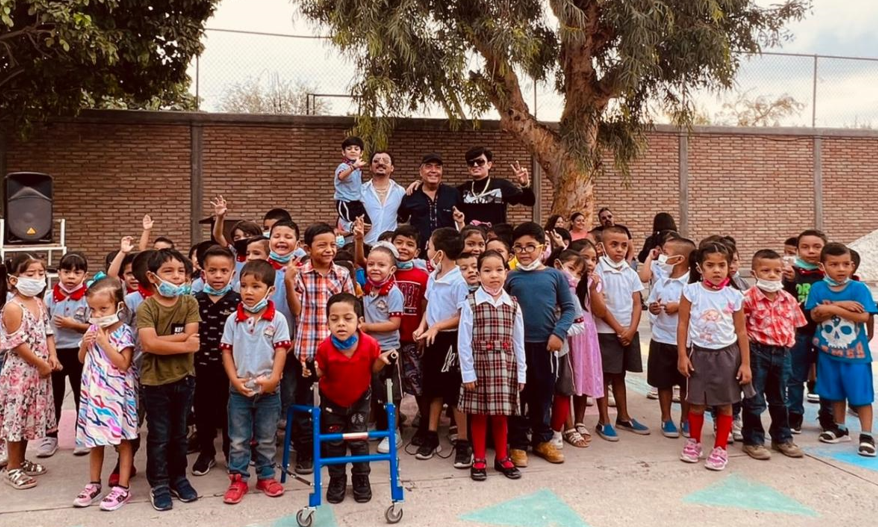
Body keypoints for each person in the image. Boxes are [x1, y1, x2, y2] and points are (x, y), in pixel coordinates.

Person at [505, 222, 576, 466]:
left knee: (543, 394)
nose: (524, 252)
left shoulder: (554, 276)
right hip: (516, 349)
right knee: (517, 396)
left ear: (542, 248)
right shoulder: (510, 277)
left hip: (545, 346)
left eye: (530, 247)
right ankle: (517, 443)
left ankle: (542, 438)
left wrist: (558, 333)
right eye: (518, 247)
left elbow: (569, 309)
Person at [677, 241, 752, 471]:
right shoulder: (691, 291)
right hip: (698, 354)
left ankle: (720, 448)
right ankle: (695, 441)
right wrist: (682, 355)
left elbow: (741, 331)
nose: (717, 270)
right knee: (696, 403)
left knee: (725, 404)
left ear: (730, 266)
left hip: (727, 356)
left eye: (722, 265)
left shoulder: (735, 296)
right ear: (700, 267)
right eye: (711, 265)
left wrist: (746, 364)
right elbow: (682, 324)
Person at [220, 260, 291, 504]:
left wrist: (273, 379)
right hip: (239, 389)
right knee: (238, 438)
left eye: (256, 286)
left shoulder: (277, 319)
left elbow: (281, 351)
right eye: (244, 286)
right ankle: (238, 479)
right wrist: (233, 380)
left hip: (268, 391)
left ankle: (266, 476)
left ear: (270, 290)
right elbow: (227, 351)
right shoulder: (233, 320)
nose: (248, 292)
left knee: (266, 436)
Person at [314, 293, 396, 504]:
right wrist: (312, 370)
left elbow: (374, 369)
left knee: (359, 441)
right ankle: (337, 480)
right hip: (332, 402)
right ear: (327, 322)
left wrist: (382, 360)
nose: (341, 324)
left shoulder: (369, 344)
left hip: (360, 399)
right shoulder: (324, 348)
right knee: (334, 444)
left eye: (347, 318)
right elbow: (320, 372)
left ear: (359, 321)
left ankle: (361, 479)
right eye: (334, 319)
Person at [136, 249, 201, 511]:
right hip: (154, 383)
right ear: (152, 277)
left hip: (184, 380)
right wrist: (180, 342)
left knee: (179, 434)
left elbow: (194, 341)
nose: (176, 277)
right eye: (168, 271)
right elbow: (148, 344)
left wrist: (162, 342)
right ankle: (159, 482)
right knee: (159, 435)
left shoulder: (189, 303)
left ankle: (179, 478)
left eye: (181, 272)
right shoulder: (147, 307)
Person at [290, 223, 355, 474]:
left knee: (335, 404)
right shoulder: (299, 274)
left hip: (337, 353)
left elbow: (351, 312)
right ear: (307, 248)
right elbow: (296, 311)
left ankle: (332, 447)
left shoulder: (342, 274)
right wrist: (287, 281)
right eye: (322, 245)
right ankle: (306, 451)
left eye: (333, 244)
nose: (329, 249)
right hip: (307, 352)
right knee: (307, 405)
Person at [458, 250, 526, 481]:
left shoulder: (513, 305)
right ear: (478, 274)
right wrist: (467, 373)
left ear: (507, 273)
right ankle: (479, 458)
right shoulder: (471, 302)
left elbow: (519, 341)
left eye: (499, 270)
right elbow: (464, 341)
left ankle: (502, 457)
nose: (493, 275)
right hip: (479, 366)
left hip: (505, 367)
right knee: (479, 414)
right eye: (487, 270)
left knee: (501, 415)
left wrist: (521, 374)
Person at [72, 278, 139, 510]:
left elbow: (123, 363)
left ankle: (122, 487)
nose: (97, 314)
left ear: (118, 307)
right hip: (94, 393)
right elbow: (81, 360)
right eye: (93, 309)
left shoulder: (124, 332)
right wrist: (84, 344)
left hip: (116, 395)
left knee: (123, 441)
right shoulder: (92, 329)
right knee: (95, 440)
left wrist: (104, 342)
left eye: (103, 309)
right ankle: (93, 483)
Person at [806, 243, 876, 457]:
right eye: (834, 264)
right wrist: (842, 306)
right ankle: (840, 428)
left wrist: (831, 308)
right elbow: (814, 315)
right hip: (828, 352)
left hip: (855, 354)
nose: (841, 269)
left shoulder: (859, 289)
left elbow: (864, 316)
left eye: (846, 264)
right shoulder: (818, 288)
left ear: (852, 265)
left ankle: (866, 434)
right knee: (835, 393)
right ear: (823, 265)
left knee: (861, 395)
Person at [741, 249, 806, 461]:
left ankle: (782, 437)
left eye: (777, 271)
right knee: (754, 398)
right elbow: (740, 328)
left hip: (782, 353)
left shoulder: (788, 299)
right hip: (757, 352)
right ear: (754, 272)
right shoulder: (747, 298)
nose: (771, 275)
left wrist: (787, 345)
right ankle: (753, 439)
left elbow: (795, 325)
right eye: (765, 270)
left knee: (780, 398)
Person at [413, 227, 471, 465]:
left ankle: (464, 442)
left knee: (454, 393)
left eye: (429, 245)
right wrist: (422, 326)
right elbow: (429, 308)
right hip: (432, 338)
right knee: (432, 390)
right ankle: (431, 435)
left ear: (441, 253)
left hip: (450, 340)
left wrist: (437, 327)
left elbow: (461, 315)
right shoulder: (433, 276)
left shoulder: (459, 281)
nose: (427, 249)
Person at [0, 254, 58, 490]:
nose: (37, 278)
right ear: (14, 279)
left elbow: (48, 332)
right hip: (20, 374)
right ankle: (12, 467)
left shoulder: (39, 303)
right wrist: (41, 364)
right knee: (15, 421)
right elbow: (18, 344)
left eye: (40, 273)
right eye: (30, 274)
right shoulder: (13, 307)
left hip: (39, 373)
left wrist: (52, 356)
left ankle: (21, 460)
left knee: (27, 420)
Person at [591, 225, 648, 441]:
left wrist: (631, 330)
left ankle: (623, 417)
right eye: (614, 244)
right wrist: (618, 329)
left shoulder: (630, 271)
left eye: (624, 245)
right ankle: (603, 420)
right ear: (602, 246)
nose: (619, 249)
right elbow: (600, 308)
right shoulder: (597, 272)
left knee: (620, 375)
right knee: (605, 377)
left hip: (627, 332)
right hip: (606, 332)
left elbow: (636, 303)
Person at [192, 246, 240, 476]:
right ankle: (207, 452)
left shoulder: (239, 302)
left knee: (229, 412)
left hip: (230, 370)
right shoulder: (193, 301)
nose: (218, 276)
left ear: (232, 273)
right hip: (200, 368)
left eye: (224, 270)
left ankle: (231, 452)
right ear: (203, 272)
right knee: (203, 412)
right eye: (213, 270)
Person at [782, 229, 834, 434]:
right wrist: (790, 280)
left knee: (826, 375)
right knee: (795, 376)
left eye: (817, 246)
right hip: (800, 332)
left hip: (828, 333)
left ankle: (827, 416)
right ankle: (794, 414)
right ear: (797, 250)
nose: (811, 251)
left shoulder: (831, 272)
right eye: (805, 247)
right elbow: (785, 299)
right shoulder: (792, 272)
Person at [42, 252, 91, 458]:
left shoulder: (89, 298)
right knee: (53, 397)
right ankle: (50, 436)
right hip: (55, 353)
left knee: (82, 395)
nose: (71, 277)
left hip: (79, 352)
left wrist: (74, 325)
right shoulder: (48, 297)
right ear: (58, 273)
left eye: (76, 272)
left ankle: (83, 435)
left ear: (85, 275)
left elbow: (93, 327)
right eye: (66, 272)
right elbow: (43, 326)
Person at [647, 238, 695, 438]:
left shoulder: (693, 284)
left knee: (686, 384)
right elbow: (651, 304)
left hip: (686, 342)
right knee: (663, 382)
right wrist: (654, 308)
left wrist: (680, 306)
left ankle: (686, 418)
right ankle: (666, 418)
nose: (661, 255)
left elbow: (701, 308)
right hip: (661, 338)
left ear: (679, 259)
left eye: (665, 252)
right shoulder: (661, 281)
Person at [361, 244, 405, 454]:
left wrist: (367, 327)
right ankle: (371, 424)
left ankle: (393, 432)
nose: (375, 268)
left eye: (381, 265)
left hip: (388, 350)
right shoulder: (367, 290)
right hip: (368, 349)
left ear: (392, 269)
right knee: (369, 390)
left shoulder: (393, 293)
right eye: (371, 264)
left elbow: (394, 324)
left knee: (390, 394)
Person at [390, 226, 430, 444]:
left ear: (417, 251)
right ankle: (392, 427)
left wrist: (423, 332)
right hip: (389, 342)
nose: (403, 248)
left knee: (417, 385)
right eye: (399, 242)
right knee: (392, 388)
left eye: (409, 244)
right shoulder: (385, 271)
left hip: (412, 340)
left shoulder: (422, 276)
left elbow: (426, 306)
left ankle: (424, 423)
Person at [548, 250, 589, 449]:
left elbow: (580, 325)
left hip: (561, 353)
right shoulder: (542, 288)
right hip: (535, 351)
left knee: (563, 391)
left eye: (579, 273)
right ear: (557, 265)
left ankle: (556, 431)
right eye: (571, 269)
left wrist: (559, 332)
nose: (574, 276)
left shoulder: (572, 298)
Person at [571, 240, 604, 441]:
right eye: (585, 258)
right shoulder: (566, 281)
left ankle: (579, 420)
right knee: (568, 378)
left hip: (587, 333)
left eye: (594, 259)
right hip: (570, 333)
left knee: (583, 375)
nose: (590, 263)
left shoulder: (594, 282)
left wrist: (593, 288)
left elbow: (600, 311)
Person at [398, 153, 464, 251]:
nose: (433, 171)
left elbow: (462, 220)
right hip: (419, 252)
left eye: (438, 167)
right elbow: (401, 222)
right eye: (428, 167)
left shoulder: (453, 193)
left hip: (448, 251)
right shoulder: (411, 195)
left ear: (442, 172)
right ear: (420, 172)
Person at [457, 147, 535, 226]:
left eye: (480, 162)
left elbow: (529, 201)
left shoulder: (501, 186)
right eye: (471, 162)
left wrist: (524, 185)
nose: (475, 165)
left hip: (497, 236)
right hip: (471, 237)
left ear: (489, 165)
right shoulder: (462, 189)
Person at [361, 151, 406, 245]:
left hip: (389, 247)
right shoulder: (360, 191)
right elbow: (345, 218)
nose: (380, 163)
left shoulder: (400, 191)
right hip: (364, 246)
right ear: (370, 167)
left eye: (385, 161)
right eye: (376, 161)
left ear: (392, 168)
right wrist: (352, 226)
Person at [335, 136, 372, 229]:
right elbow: (341, 176)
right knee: (350, 223)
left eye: (356, 149)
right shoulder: (343, 166)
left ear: (361, 153)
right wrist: (353, 167)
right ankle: (341, 233)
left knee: (367, 223)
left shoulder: (358, 169)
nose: (353, 151)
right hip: (345, 201)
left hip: (356, 201)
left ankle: (354, 237)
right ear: (343, 152)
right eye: (349, 149)